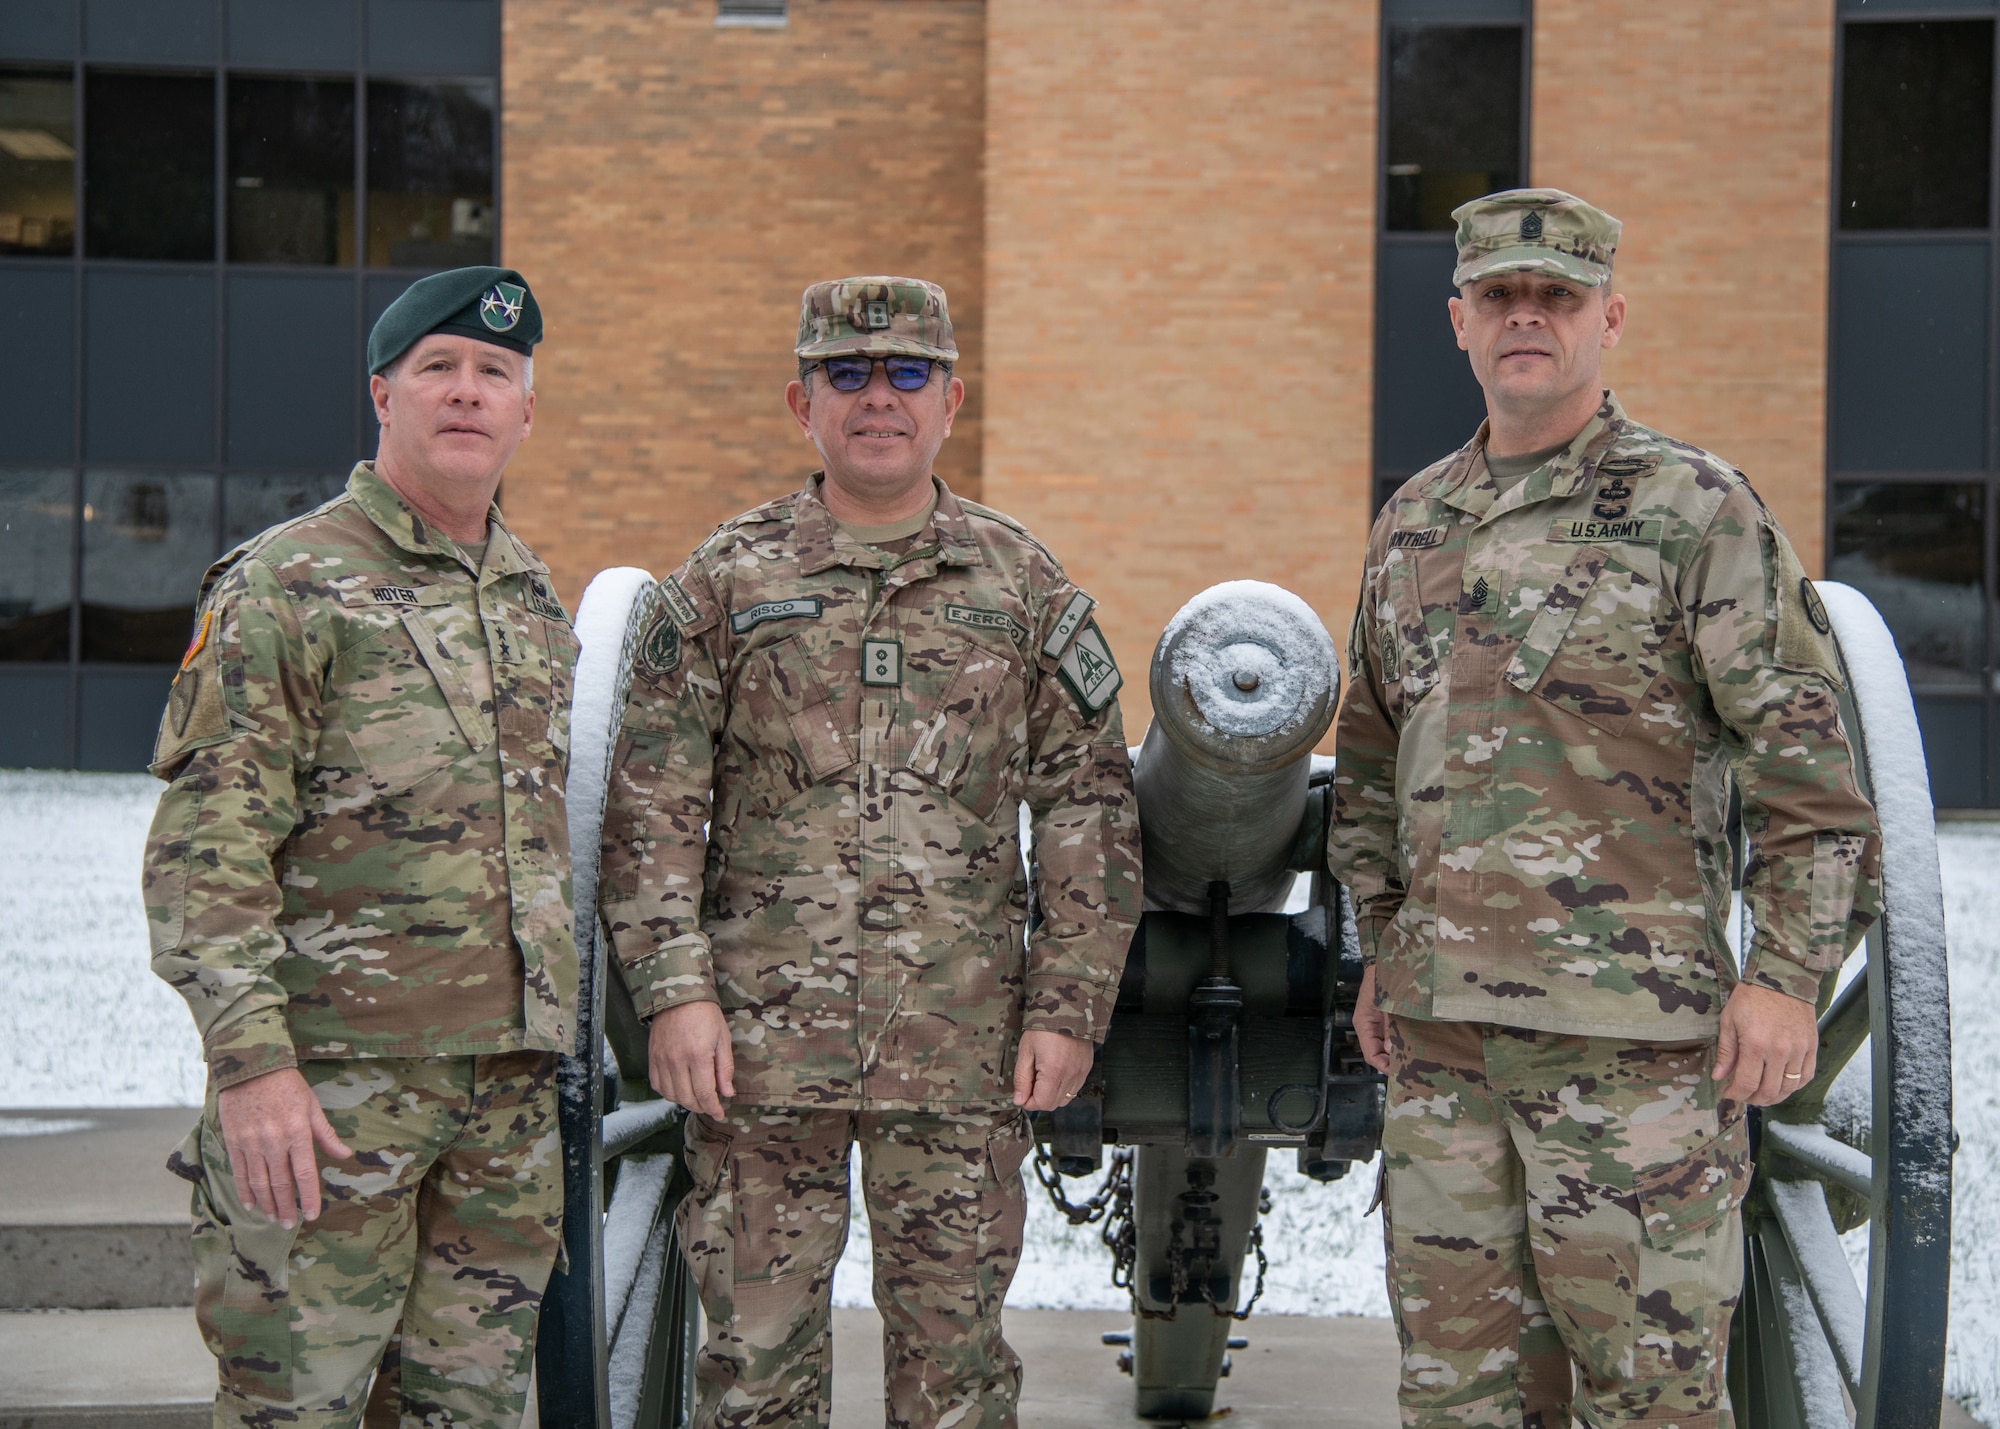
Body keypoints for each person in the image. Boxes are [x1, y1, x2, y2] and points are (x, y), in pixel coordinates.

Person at [1328, 191, 1882, 1429]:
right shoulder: (1411, 523)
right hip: (1443, 1054)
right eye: (1500, 297)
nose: (1527, 317)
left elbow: (1806, 773)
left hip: (1630, 1051)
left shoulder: (1696, 511)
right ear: (1458, 321)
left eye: (1558, 297)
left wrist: (1786, 976)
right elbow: (1367, 761)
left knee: (1649, 1398)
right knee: (1455, 1396)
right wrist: (1379, 941)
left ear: (1607, 318)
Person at [599, 275, 1142, 1428]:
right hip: (754, 1056)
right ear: (802, 404)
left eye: (906, 374)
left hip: (960, 1055)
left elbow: (1090, 805)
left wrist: (1067, 1005)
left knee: (952, 1378)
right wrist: (672, 991)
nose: (877, 398)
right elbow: (651, 803)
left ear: (952, 399)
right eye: (848, 374)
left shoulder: (1023, 586)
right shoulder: (724, 582)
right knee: (752, 1373)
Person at [143, 266, 576, 1428]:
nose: (467, 392)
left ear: (526, 412)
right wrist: (252, 1065)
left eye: (495, 373)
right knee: (301, 1403)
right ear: (381, 393)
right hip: (332, 1099)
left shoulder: (530, 598)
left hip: (503, 1106)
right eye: (438, 367)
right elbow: (205, 849)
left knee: (469, 1411)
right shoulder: (287, 583)